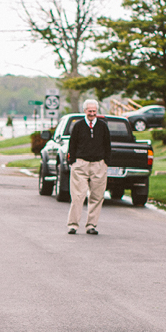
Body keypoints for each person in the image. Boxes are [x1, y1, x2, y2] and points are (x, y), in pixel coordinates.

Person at [66, 99, 111, 235]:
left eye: (94, 111)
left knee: (97, 196)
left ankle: (91, 225)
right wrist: (73, 161)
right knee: (78, 196)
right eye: (89, 111)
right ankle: (73, 225)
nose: (92, 113)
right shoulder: (78, 126)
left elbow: (107, 144)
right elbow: (72, 144)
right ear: (85, 111)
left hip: (98, 164)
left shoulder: (102, 126)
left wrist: (106, 162)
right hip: (81, 164)